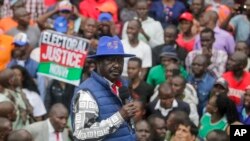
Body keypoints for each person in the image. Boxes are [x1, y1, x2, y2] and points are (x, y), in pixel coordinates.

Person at [71, 36, 137, 140]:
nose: (116, 65)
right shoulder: (86, 93)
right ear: (98, 63)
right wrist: (120, 116)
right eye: (110, 60)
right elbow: (81, 135)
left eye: (120, 60)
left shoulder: (123, 85)